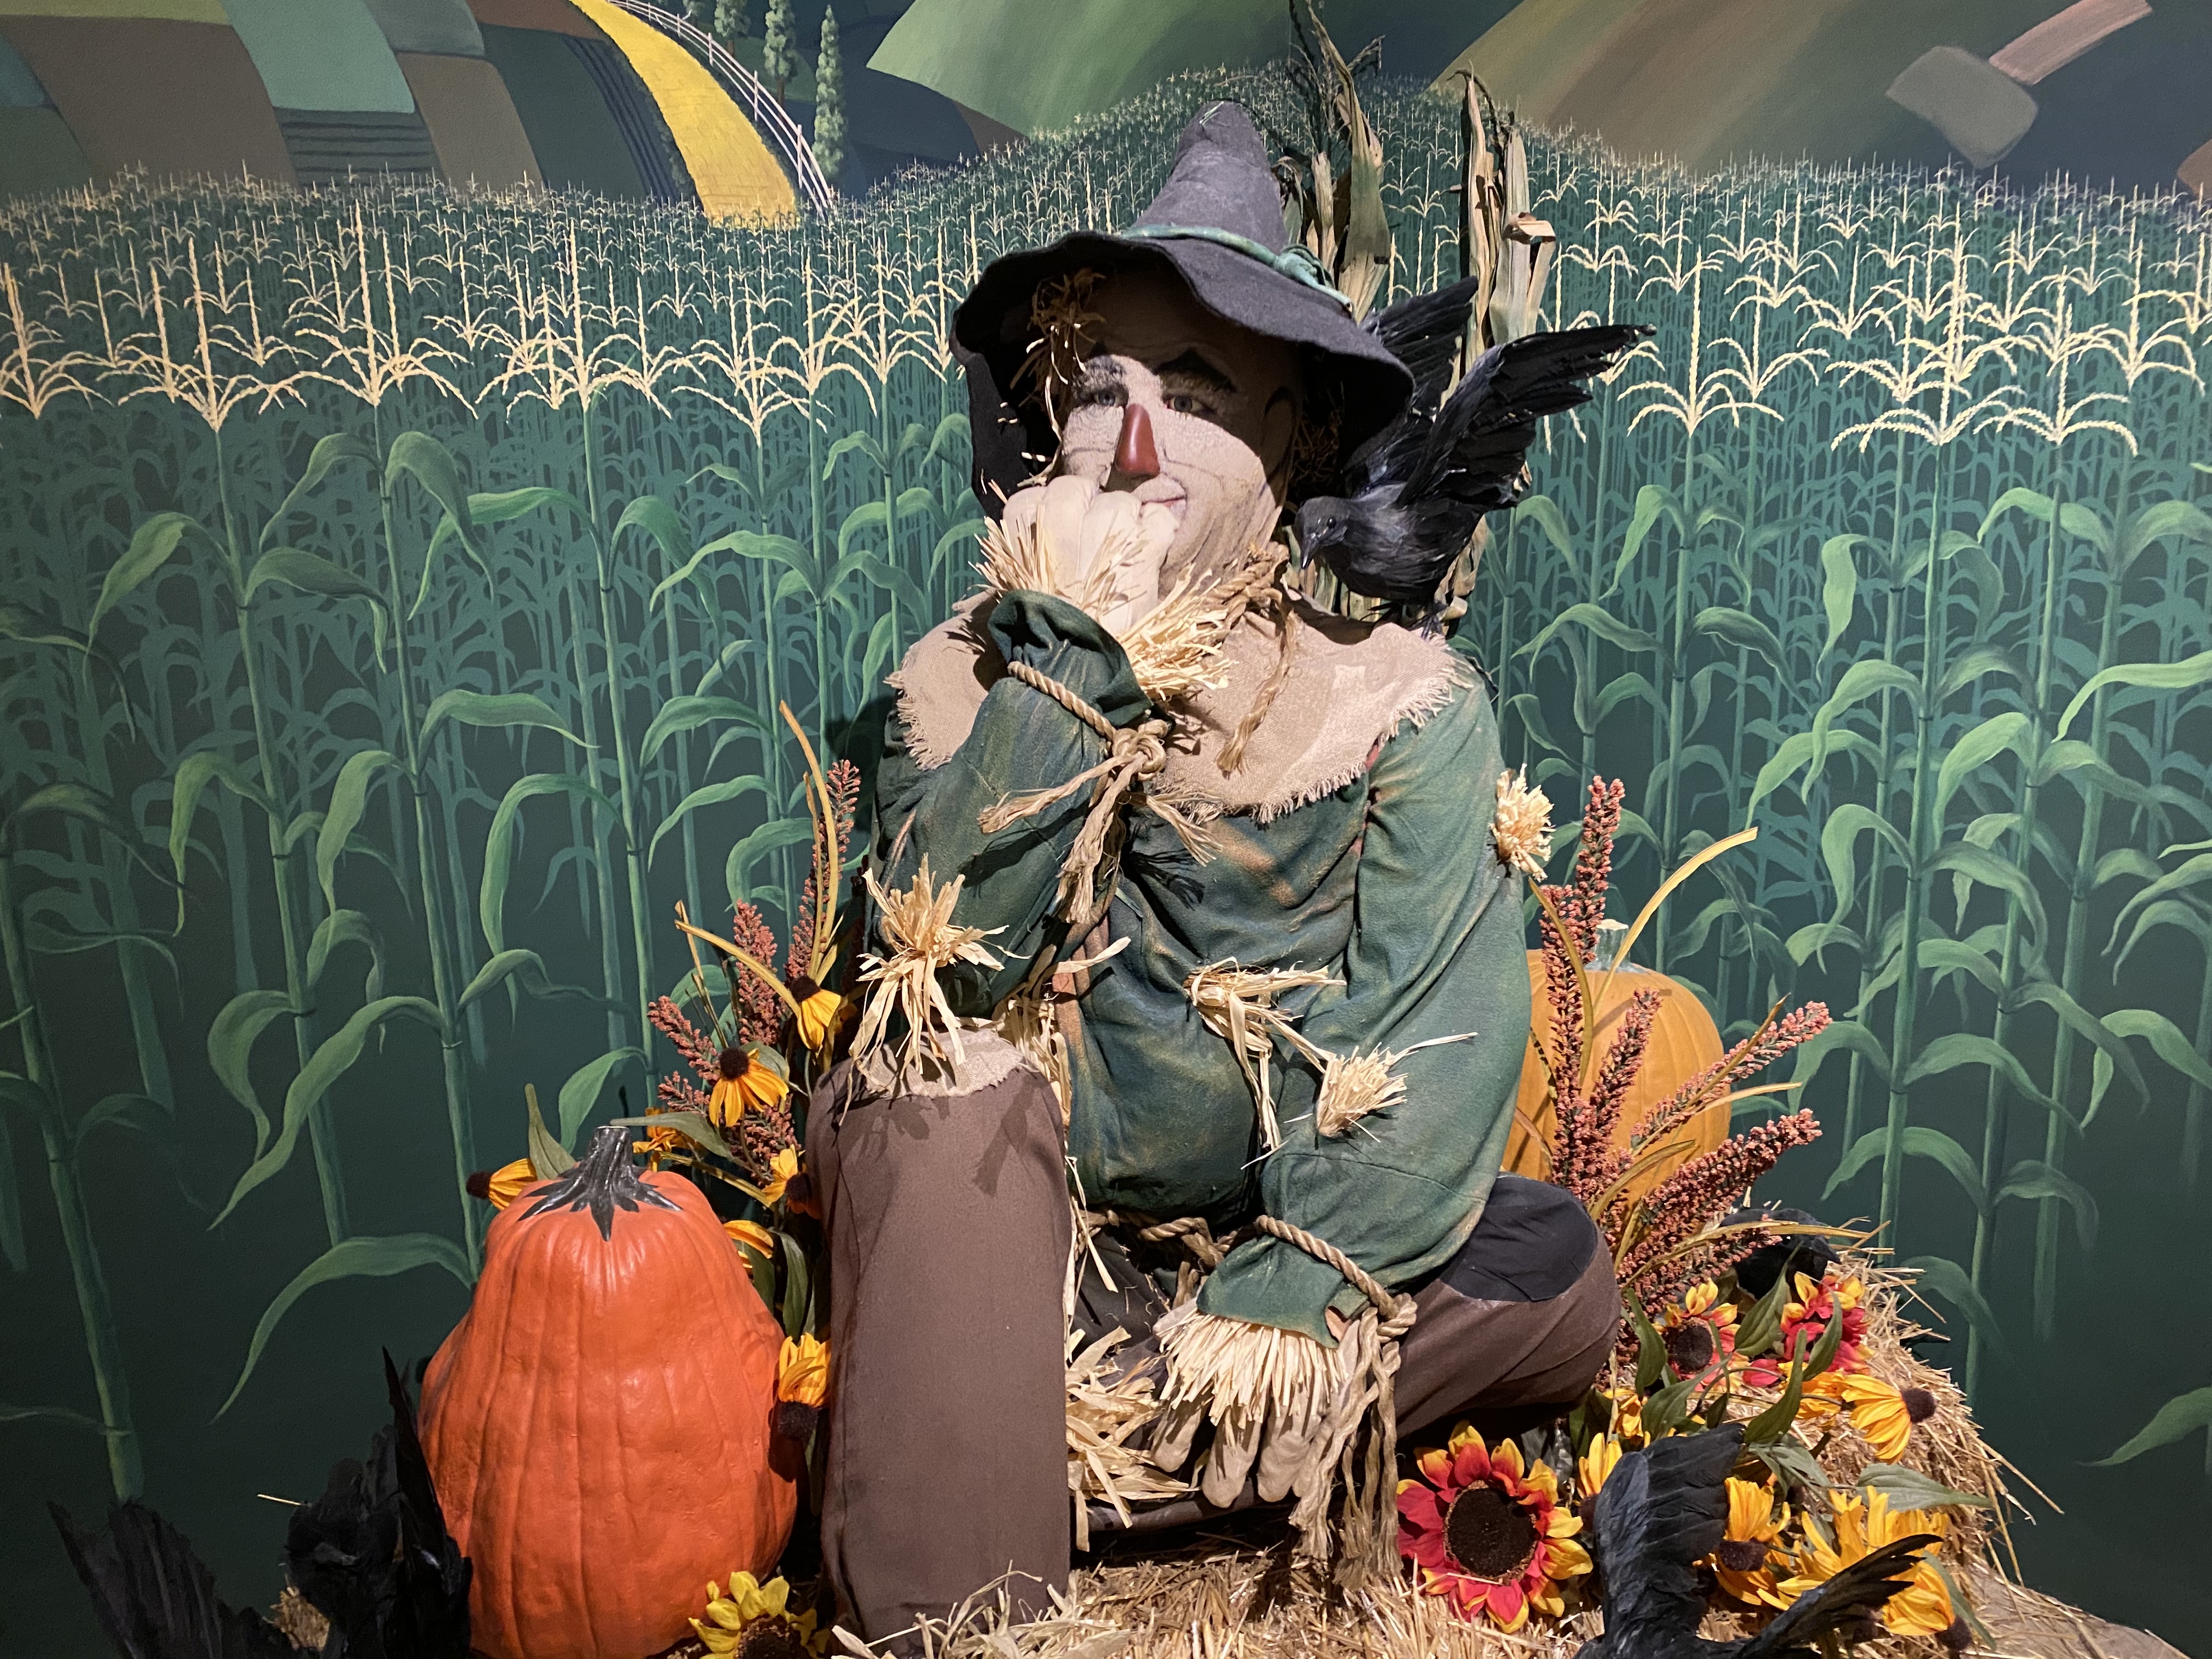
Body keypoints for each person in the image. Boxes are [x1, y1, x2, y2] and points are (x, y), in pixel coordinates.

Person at [806, 101, 1623, 1650]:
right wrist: (1075, 659)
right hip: (1016, 1245)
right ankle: (969, 1551)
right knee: (931, 1103)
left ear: (1297, 437)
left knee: (1558, 1279)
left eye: (1191, 397)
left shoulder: (1395, 706)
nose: (1132, 444)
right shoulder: (956, 683)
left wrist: (1289, 1297)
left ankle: (1007, 1446)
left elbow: (1433, 1033)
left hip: (1230, 1261)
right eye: (1097, 392)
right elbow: (939, 976)